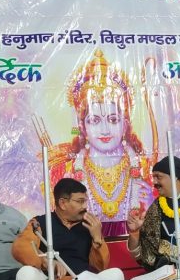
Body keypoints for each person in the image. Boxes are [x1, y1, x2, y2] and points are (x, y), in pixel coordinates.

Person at [42, 50, 156, 221]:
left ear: (125, 124)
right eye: (94, 120)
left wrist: (150, 203)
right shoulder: (66, 171)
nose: (105, 130)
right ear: (83, 127)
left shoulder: (144, 169)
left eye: (113, 119)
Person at [12, 178, 123, 280]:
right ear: (63, 203)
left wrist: (97, 238)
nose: (85, 206)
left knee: (116, 274)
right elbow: (20, 248)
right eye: (80, 201)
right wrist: (46, 261)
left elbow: (101, 267)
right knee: (25, 274)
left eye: (85, 201)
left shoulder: (89, 226)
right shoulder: (39, 223)